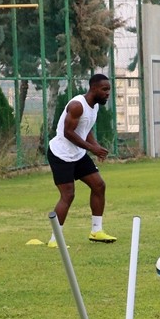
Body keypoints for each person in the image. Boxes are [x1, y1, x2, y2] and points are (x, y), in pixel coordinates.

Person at [44, 74, 116, 246]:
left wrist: (96, 146)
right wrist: (92, 148)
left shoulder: (94, 106)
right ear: (93, 88)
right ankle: (55, 240)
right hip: (61, 155)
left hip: (78, 154)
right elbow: (68, 133)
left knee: (99, 185)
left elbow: (85, 128)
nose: (108, 93)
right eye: (104, 89)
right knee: (68, 195)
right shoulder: (77, 106)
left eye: (109, 90)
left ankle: (96, 231)